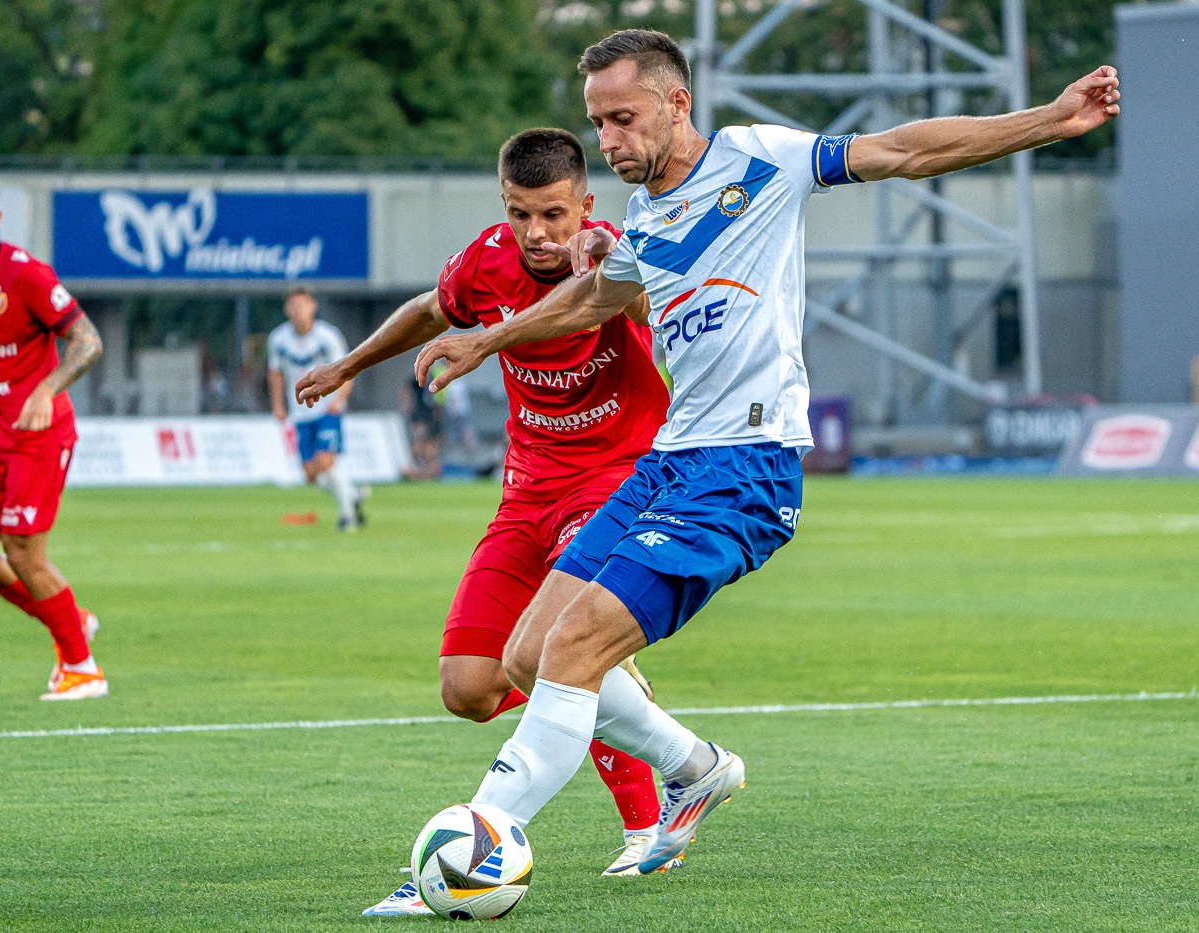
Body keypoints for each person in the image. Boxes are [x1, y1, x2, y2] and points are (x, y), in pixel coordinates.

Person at [414, 29, 1120, 883]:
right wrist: (486, 338)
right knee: (526, 655)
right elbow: (592, 298)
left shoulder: (761, 160)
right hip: (668, 463)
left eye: (623, 119)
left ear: (677, 103)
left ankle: (477, 845)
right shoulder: (645, 217)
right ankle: (694, 767)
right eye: (598, 123)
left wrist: (1048, 119)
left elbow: (903, 149)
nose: (609, 140)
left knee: (576, 646)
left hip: (744, 465)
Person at [294, 128, 675, 910]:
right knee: (468, 686)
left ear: (585, 205)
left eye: (553, 214)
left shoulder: (617, 255)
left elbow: (639, 300)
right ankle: (645, 723)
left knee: (562, 648)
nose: (537, 232)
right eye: (519, 213)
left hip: (617, 479)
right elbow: (430, 310)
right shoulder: (487, 261)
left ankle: (634, 828)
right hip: (526, 489)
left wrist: (610, 260)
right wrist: (349, 366)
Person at [0, 166, 108, 700]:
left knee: (24, 552)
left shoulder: (24, 275)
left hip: (39, 435)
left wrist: (45, 390)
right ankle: (72, 620)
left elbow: (88, 341)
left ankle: (82, 669)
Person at [267, 287, 363, 530]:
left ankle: (347, 517)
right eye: (293, 305)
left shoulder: (327, 336)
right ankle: (352, 494)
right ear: (286, 309)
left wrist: (339, 399)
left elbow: (347, 369)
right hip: (301, 412)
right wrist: (278, 404)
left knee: (325, 461)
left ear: (313, 307)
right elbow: (275, 373)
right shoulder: (278, 339)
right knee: (310, 474)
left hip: (327, 409)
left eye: (302, 304)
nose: (298, 309)